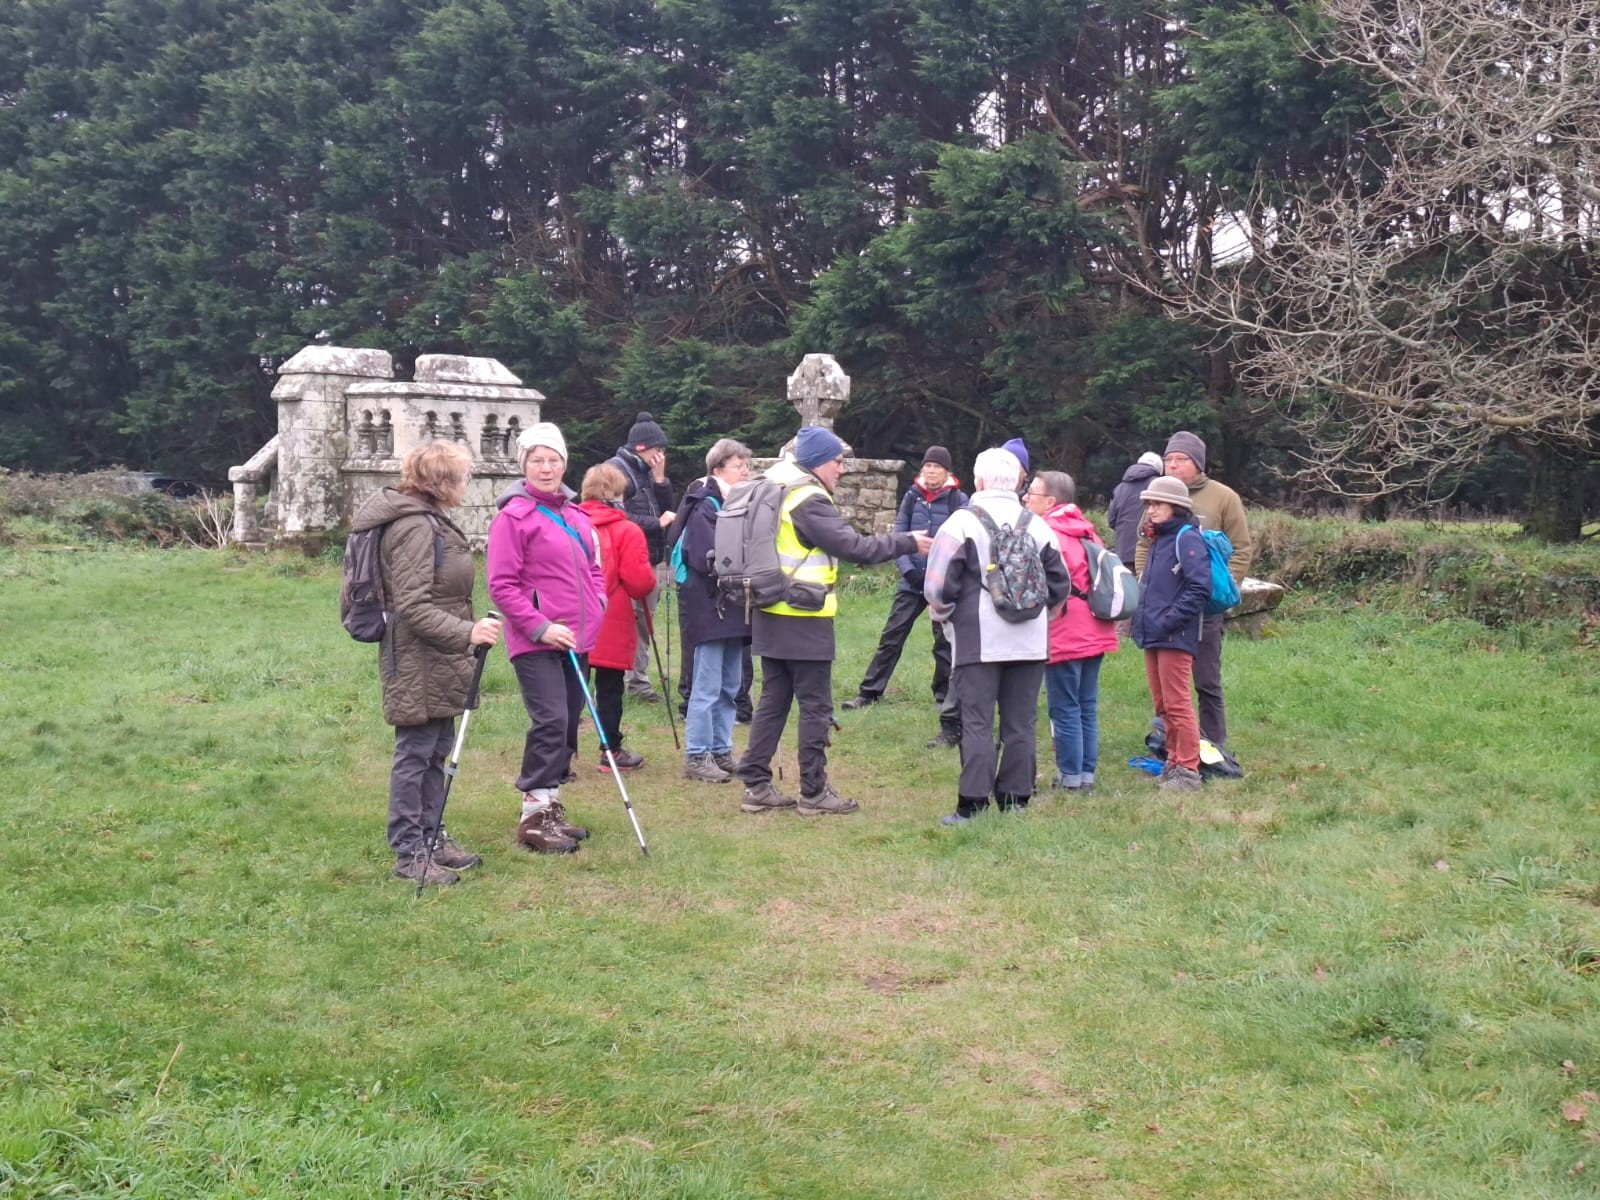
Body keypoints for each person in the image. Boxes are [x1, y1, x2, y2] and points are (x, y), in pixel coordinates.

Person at [736, 426, 932, 817]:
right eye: (838, 461)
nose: (842, 470)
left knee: (773, 702)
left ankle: (756, 785)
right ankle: (814, 792)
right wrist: (908, 541)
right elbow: (854, 547)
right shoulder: (807, 497)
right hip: (804, 615)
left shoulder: (773, 483)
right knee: (816, 707)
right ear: (818, 462)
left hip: (769, 608)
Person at [352, 440, 502, 887]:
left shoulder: (430, 520)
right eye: (464, 475)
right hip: (417, 655)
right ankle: (409, 852)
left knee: (436, 749)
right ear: (443, 481)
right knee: (415, 753)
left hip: (438, 656)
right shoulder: (416, 527)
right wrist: (467, 633)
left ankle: (432, 837)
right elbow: (413, 606)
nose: (468, 482)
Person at [924, 447, 1070, 826]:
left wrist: (944, 617)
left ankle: (972, 805)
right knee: (1020, 722)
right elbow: (1061, 584)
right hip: (1030, 640)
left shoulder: (960, 523)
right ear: (1019, 481)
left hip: (978, 639)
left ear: (979, 481)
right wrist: (1043, 618)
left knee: (976, 721)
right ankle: (1015, 800)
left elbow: (937, 585)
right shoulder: (1037, 525)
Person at [488, 422, 606, 855]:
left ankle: (552, 805)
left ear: (564, 463)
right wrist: (540, 625)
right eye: (537, 460)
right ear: (524, 465)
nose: (546, 467)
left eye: (553, 459)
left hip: (577, 639)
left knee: (569, 722)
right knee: (551, 721)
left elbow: (593, 567)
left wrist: (599, 602)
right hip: (536, 640)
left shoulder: (576, 514)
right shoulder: (512, 517)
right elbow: (502, 585)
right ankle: (533, 816)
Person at [1135, 431, 1253, 749]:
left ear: (1198, 463)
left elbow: (1241, 548)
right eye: (1168, 458)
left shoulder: (1223, 497)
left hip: (1203, 607)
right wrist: (1146, 582)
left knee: (1206, 679)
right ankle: (1172, 743)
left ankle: (1214, 744)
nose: (1172, 465)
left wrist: (1222, 590)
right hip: (1163, 609)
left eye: (1181, 459)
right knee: (1167, 683)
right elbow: (1144, 544)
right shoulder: (1156, 495)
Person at [840, 446, 967, 711]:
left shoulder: (959, 500)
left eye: (937, 466)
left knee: (943, 642)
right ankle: (869, 692)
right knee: (892, 636)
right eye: (927, 466)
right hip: (911, 580)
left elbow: (963, 543)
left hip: (942, 583)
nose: (931, 471)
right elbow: (900, 534)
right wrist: (909, 571)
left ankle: (943, 697)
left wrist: (941, 576)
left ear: (947, 470)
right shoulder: (912, 496)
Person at [1025, 470, 1119, 792]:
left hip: (1065, 629)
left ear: (1050, 501)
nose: (1026, 498)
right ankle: (1086, 775)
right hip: (1096, 627)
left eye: (1032, 493)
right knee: (1086, 704)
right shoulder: (1088, 531)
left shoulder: (1046, 533)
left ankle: (1070, 778)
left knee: (1064, 706)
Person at [1129, 475, 1212, 793]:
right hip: (1154, 633)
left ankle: (1188, 771)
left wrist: (1168, 621)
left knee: (1178, 704)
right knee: (1163, 704)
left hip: (1174, 635)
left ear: (1176, 507)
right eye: (1149, 504)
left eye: (1157, 504)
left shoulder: (1186, 538)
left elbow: (1198, 587)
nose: (1150, 510)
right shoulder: (1159, 538)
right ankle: (1173, 762)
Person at [678, 438, 754, 782]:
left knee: (730, 685)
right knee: (706, 685)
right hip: (710, 605)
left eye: (747, 465)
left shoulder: (737, 504)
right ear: (718, 469)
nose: (746, 471)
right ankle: (696, 755)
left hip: (735, 606)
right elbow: (702, 556)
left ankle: (721, 749)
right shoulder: (704, 505)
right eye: (739, 466)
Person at [577, 463, 657, 774]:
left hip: (573, 615)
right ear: (618, 493)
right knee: (610, 688)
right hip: (612, 617)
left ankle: (562, 752)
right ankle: (610, 749)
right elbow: (639, 582)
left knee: (573, 686)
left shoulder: (571, 523)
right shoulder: (627, 530)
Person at [606, 412, 676, 701]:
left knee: (644, 622)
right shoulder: (616, 471)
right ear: (640, 447)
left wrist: (660, 480)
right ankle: (633, 682)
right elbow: (615, 514)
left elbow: (666, 509)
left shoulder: (646, 472)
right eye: (657, 450)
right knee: (631, 620)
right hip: (627, 561)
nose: (660, 456)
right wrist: (655, 523)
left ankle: (637, 681)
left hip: (648, 560)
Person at [1106, 451, 1163, 568]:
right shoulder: (1157, 485)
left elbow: (1111, 520)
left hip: (1123, 551)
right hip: (1149, 551)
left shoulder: (1121, 487)